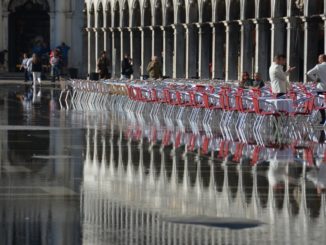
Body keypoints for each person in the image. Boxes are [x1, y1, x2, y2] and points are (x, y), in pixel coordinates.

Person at [307, 54, 326, 124]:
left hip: (321, 88)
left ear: (321, 59)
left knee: (321, 104)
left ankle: (323, 119)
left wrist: (316, 79)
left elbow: (309, 73)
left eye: (319, 58)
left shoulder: (318, 66)